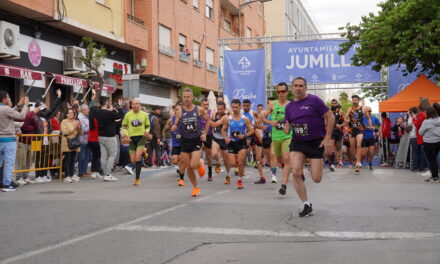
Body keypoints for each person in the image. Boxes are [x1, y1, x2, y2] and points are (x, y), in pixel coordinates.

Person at [283, 77, 335, 217]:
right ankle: (306, 204)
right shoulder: (289, 107)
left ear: (305, 88)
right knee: (295, 172)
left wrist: (328, 137)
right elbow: (287, 128)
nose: (298, 88)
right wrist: (285, 127)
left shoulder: (314, 100)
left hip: (315, 142)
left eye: (301, 85)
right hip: (298, 142)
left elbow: (330, 116)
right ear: (292, 88)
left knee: (316, 179)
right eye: (295, 85)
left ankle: (313, 165)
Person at [171, 88, 212, 197]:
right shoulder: (179, 112)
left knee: (194, 164)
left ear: (193, 98)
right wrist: (174, 126)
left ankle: (200, 164)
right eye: (184, 97)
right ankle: (195, 187)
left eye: (188, 97)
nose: (186, 99)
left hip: (196, 140)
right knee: (188, 166)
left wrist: (205, 133)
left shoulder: (199, 109)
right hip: (184, 141)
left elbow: (208, 120)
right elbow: (176, 124)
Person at [262, 82, 293, 193]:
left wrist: (289, 124)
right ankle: (291, 168)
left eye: (283, 91)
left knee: (285, 159)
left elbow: (296, 119)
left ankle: (284, 185)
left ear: (287, 92)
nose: (281, 94)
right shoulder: (272, 104)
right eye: (279, 92)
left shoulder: (291, 105)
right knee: (279, 159)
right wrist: (271, 122)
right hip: (275, 137)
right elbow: (263, 118)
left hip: (287, 136)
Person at [221, 99, 254, 189]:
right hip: (232, 142)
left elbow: (252, 130)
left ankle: (239, 180)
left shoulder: (245, 119)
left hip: (241, 142)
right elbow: (223, 130)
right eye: (233, 107)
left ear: (240, 107)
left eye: (236, 107)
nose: (235, 109)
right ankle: (237, 161)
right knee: (232, 163)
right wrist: (225, 138)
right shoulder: (228, 119)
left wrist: (244, 135)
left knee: (240, 162)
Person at [0, 92, 29, 191]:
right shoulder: (6, 109)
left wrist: (17, 105)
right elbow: (21, 116)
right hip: (8, 139)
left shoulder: (3, 109)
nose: (9, 98)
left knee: (0, 162)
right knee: (9, 163)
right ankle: (7, 184)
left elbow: (9, 112)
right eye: (8, 97)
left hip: (1, 139)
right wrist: (25, 105)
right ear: (4, 99)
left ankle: (3, 183)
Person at [121, 99, 150, 186]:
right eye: (133, 104)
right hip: (132, 138)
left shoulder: (144, 114)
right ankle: (144, 152)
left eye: (136, 104)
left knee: (137, 158)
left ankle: (137, 179)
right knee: (133, 160)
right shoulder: (128, 114)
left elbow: (148, 126)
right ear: (131, 105)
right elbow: (124, 126)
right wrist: (126, 134)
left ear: (139, 105)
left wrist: (147, 131)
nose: (135, 105)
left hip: (141, 137)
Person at [96, 97, 123, 182]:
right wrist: (120, 107)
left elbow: (112, 119)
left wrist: (113, 110)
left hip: (101, 136)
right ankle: (108, 174)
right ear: (106, 102)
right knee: (112, 155)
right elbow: (120, 116)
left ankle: (105, 174)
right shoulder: (109, 113)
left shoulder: (98, 112)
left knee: (103, 156)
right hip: (110, 137)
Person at [346, 95, 372, 173]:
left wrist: (370, 125)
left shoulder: (363, 108)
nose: (354, 101)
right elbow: (345, 118)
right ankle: (356, 158)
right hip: (351, 130)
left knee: (358, 145)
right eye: (353, 100)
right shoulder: (350, 109)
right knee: (352, 147)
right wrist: (346, 121)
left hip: (360, 129)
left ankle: (357, 163)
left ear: (358, 100)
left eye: (355, 100)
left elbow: (368, 117)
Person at [208, 101, 232, 183]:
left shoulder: (225, 117)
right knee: (213, 154)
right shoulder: (214, 114)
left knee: (227, 161)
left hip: (224, 139)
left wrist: (206, 118)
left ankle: (228, 175)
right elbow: (210, 124)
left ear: (224, 109)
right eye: (218, 109)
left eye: (221, 109)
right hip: (215, 137)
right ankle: (218, 161)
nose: (219, 111)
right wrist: (205, 132)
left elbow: (215, 124)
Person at [163, 102, 185, 186]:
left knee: (182, 159)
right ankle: (181, 168)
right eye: (176, 109)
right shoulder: (171, 119)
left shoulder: (185, 119)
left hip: (183, 143)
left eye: (180, 109)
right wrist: (163, 136)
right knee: (175, 160)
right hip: (175, 143)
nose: (178, 111)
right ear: (174, 110)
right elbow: (165, 128)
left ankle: (181, 175)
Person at [419, 107, 440, 182]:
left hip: (430, 142)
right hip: (438, 141)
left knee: (432, 160)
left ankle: (435, 176)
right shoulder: (439, 119)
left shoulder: (426, 122)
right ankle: (435, 175)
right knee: (436, 159)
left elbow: (420, 132)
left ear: (427, 113)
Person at [61, 109, 82, 183]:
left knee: (73, 160)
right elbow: (65, 132)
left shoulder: (75, 121)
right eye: (69, 113)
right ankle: (67, 176)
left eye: (72, 113)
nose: (71, 114)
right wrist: (74, 127)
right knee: (68, 160)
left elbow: (80, 132)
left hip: (74, 142)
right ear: (66, 114)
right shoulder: (64, 121)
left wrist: (79, 127)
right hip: (67, 143)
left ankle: (72, 175)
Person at [413, 98, 430, 176]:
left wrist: (414, 118)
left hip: (422, 136)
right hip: (430, 136)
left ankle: (428, 169)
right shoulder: (429, 113)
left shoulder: (421, 114)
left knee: (425, 154)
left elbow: (417, 124)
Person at [327, 99, 345, 172]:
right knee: (331, 146)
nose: (333, 104)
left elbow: (347, 121)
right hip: (332, 131)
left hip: (339, 132)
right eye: (332, 103)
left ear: (337, 104)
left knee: (338, 148)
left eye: (335, 103)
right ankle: (332, 163)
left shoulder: (341, 112)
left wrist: (340, 125)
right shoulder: (329, 112)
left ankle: (337, 160)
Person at [200, 98, 213, 180]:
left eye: (207, 104)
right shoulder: (198, 112)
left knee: (209, 155)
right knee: (198, 151)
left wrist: (205, 132)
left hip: (209, 135)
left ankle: (210, 173)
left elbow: (210, 121)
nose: (206, 106)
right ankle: (201, 166)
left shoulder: (211, 112)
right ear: (201, 105)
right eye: (204, 104)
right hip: (199, 135)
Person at [77, 104, 91, 177]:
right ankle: (81, 172)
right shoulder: (80, 117)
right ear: (83, 110)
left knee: (86, 156)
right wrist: (90, 128)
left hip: (87, 139)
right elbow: (83, 129)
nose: (88, 111)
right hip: (81, 140)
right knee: (81, 157)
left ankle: (84, 171)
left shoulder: (86, 117)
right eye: (87, 109)